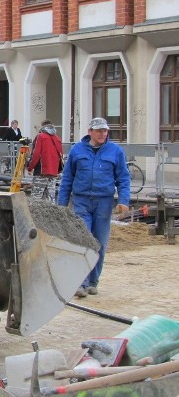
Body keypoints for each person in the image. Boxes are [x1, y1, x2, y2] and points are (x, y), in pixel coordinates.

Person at [57, 117, 130, 298]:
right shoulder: (77, 150)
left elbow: (123, 178)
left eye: (105, 131)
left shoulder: (115, 151)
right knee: (83, 241)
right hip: (81, 201)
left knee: (99, 243)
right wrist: (61, 205)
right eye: (99, 131)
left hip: (104, 203)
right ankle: (80, 284)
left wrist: (124, 200)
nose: (102, 134)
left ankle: (92, 282)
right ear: (90, 131)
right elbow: (67, 179)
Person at [27, 119, 63, 202]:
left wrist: (30, 167)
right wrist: (58, 170)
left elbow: (36, 154)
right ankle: (52, 215)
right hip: (53, 172)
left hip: (41, 171)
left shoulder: (41, 136)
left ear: (42, 126)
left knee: (36, 198)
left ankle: (35, 215)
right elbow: (60, 155)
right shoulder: (57, 138)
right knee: (51, 198)